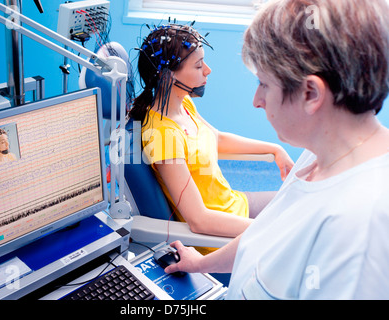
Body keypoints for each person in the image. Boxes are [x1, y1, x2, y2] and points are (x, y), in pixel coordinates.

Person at [164, 0, 389, 299]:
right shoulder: (320, 154)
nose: (257, 100)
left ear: (310, 93)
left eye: (264, 84)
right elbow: (264, 234)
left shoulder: (363, 228)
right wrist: (201, 263)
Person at [128, 24, 294, 244]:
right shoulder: (163, 136)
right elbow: (199, 220)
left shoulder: (182, 103)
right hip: (220, 235)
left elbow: (216, 138)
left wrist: (275, 149)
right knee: (302, 230)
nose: (208, 70)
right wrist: (270, 230)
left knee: (306, 203)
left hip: (236, 205)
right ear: (167, 77)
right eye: (198, 66)